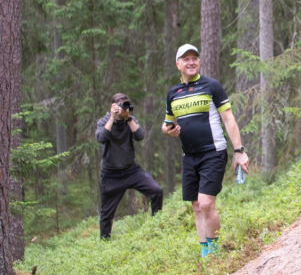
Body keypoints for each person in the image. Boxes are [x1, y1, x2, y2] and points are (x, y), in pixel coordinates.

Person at [162, 44, 249, 258]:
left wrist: (239, 150)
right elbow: (166, 123)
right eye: (186, 59)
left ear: (199, 62)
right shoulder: (173, 93)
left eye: (194, 58)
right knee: (196, 206)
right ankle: (205, 254)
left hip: (213, 152)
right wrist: (168, 130)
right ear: (178, 64)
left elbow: (228, 119)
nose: (191, 62)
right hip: (189, 156)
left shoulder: (212, 86)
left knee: (206, 202)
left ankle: (215, 253)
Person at [95, 93, 163, 239]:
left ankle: (157, 227)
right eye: (121, 105)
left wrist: (128, 118)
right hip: (111, 174)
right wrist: (113, 118)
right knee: (107, 213)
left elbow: (140, 136)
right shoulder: (104, 121)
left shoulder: (130, 120)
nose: (124, 109)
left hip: (131, 171)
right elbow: (101, 137)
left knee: (157, 191)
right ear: (113, 107)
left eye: (126, 105)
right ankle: (104, 242)